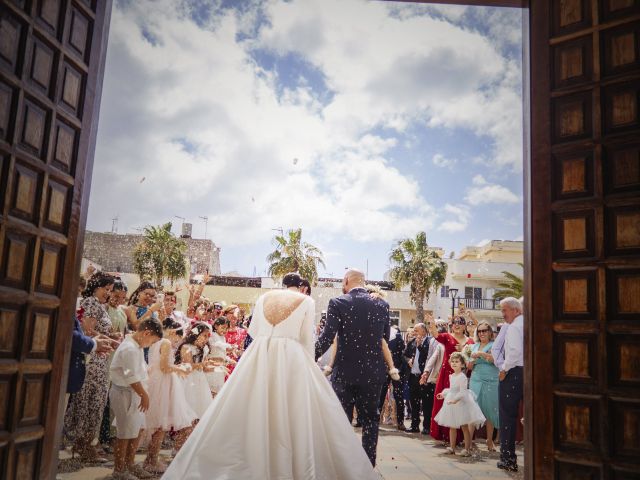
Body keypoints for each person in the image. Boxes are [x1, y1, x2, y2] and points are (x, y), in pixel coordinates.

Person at [164, 272, 378, 479]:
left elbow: (254, 331)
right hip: (291, 354)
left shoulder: (265, 297)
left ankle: (251, 452)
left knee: (252, 401)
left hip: (260, 352)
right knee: (291, 406)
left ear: (283, 283)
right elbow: (305, 339)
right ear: (302, 286)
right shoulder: (305, 301)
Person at [315, 268, 390, 466]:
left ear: (347, 280)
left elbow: (327, 338)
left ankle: (344, 465)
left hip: (345, 374)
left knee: (342, 421)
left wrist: (308, 355)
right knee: (371, 421)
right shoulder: (382, 304)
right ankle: (368, 466)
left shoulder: (338, 302)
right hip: (373, 374)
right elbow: (385, 339)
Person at [64, 271, 116, 463]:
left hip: (100, 359)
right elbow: (87, 331)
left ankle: (87, 444)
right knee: (88, 403)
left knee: (97, 402)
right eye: (107, 289)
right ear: (96, 286)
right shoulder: (90, 303)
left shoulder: (100, 305)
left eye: (110, 290)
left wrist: (112, 338)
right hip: (92, 361)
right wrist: (109, 340)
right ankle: (82, 445)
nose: (108, 293)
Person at [109, 318, 163, 480]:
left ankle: (130, 464)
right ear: (146, 333)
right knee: (125, 432)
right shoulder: (130, 349)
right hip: (125, 393)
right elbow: (131, 377)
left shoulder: (137, 346)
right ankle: (119, 470)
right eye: (152, 341)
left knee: (137, 429)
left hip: (135, 393)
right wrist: (144, 395)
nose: (150, 345)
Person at [143, 319, 196, 474]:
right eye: (178, 337)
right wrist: (180, 370)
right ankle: (151, 460)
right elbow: (165, 367)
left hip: (157, 381)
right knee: (160, 424)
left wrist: (177, 367)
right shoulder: (165, 342)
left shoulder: (157, 342)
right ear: (173, 332)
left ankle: (150, 458)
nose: (177, 341)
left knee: (157, 423)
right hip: (162, 384)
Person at [427, 313, 474, 443]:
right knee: (443, 403)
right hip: (446, 375)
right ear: (451, 326)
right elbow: (435, 335)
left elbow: (471, 360)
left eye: (460, 322)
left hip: (462, 377)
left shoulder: (470, 342)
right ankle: (443, 435)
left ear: (464, 325)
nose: (457, 325)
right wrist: (431, 323)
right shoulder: (447, 337)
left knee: (460, 405)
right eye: (454, 323)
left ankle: (459, 438)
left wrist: (463, 350)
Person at [434, 352, 486, 456]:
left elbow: (462, 392)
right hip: (452, 402)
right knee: (452, 426)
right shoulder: (452, 375)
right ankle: (452, 448)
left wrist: (455, 400)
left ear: (462, 364)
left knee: (464, 426)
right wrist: (443, 394)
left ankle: (467, 449)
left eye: (457, 362)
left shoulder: (462, 377)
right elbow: (452, 389)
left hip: (461, 403)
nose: (454, 363)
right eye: (452, 362)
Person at [497, 297, 524, 472]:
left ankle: (508, 458)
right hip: (525, 373)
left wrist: (504, 369)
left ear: (516, 310)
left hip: (513, 372)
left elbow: (514, 353)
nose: (503, 314)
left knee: (507, 416)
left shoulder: (514, 327)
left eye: (505, 310)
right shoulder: (526, 324)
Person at [467, 321, 500, 451]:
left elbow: (495, 360)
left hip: (491, 380)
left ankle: (489, 440)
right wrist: (472, 361)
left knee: (490, 411)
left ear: (490, 332)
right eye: (479, 331)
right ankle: (468, 442)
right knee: (472, 409)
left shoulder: (494, 345)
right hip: (476, 379)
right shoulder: (474, 346)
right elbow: (469, 366)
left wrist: (481, 354)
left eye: (484, 330)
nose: (482, 333)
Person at [404, 322, 439, 434]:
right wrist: (408, 360)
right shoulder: (412, 342)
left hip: (424, 377)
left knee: (426, 403)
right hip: (413, 377)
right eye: (414, 330)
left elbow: (427, 357)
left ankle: (426, 427)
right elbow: (403, 354)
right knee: (414, 403)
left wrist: (419, 346)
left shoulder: (430, 342)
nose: (414, 332)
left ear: (423, 331)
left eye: (416, 330)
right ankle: (414, 425)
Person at [176, 322, 214, 420]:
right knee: (188, 412)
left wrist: (217, 368)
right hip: (188, 381)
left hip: (200, 381)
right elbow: (188, 367)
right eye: (204, 336)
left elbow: (204, 368)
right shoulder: (186, 347)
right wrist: (201, 364)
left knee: (200, 413)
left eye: (208, 336)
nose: (206, 339)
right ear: (196, 334)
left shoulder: (204, 348)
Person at [379, 320, 408, 431]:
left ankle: (400, 422)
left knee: (398, 395)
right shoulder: (378, 332)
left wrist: (396, 368)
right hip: (382, 369)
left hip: (396, 369)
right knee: (380, 396)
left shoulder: (396, 333)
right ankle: (376, 420)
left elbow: (401, 352)